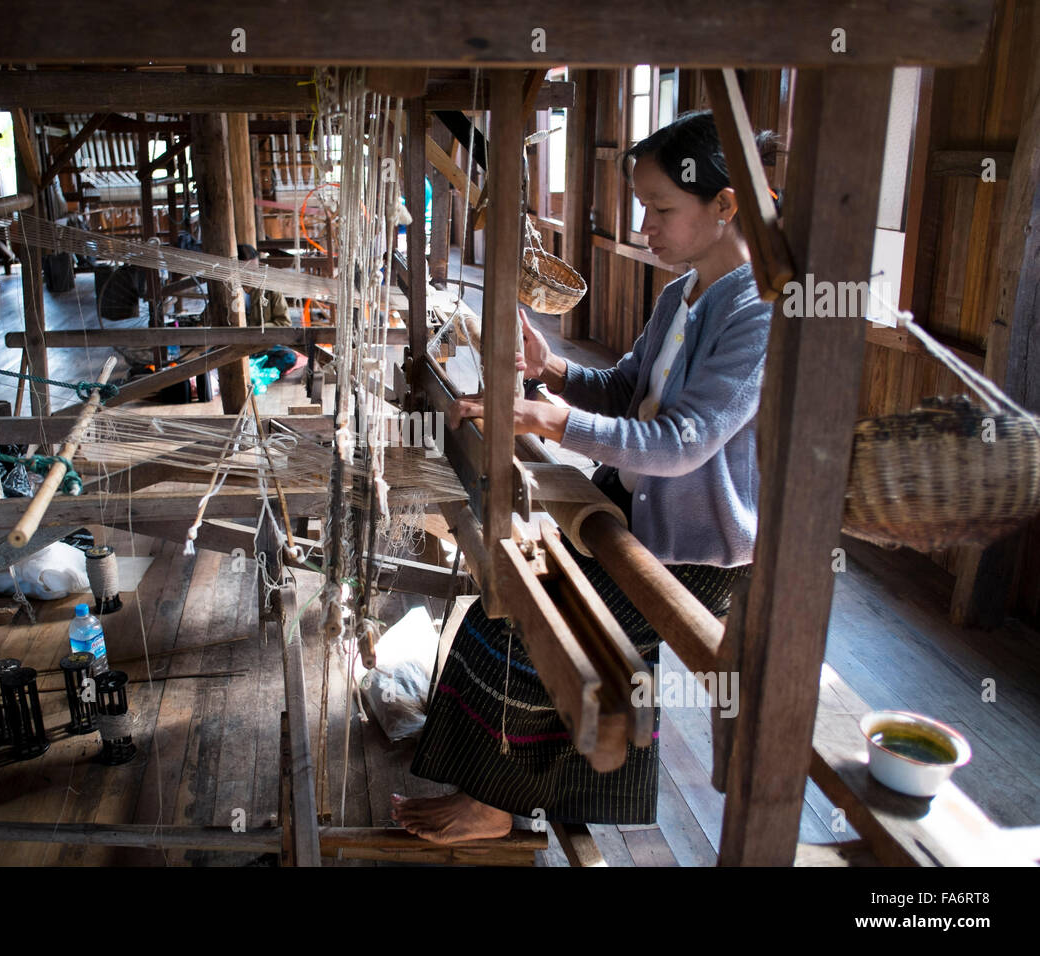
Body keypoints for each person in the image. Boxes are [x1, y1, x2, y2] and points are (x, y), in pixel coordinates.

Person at [392, 110, 779, 843]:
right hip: (630, 511)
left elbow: (683, 442)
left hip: (696, 550)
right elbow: (632, 385)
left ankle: (492, 804)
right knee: (516, 614)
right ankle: (556, 795)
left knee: (513, 629)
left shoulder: (757, 312)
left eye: (661, 208)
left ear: (726, 206)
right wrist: (553, 373)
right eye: (642, 206)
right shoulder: (682, 294)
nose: (645, 225)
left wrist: (548, 421)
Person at [237, 243, 302, 377]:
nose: (251, 275)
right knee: (207, 359)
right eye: (245, 270)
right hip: (236, 346)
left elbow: (284, 323)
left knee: (289, 357)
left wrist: (257, 330)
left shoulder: (270, 289)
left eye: (254, 269)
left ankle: (250, 369)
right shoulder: (229, 290)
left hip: (263, 346)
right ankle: (251, 369)